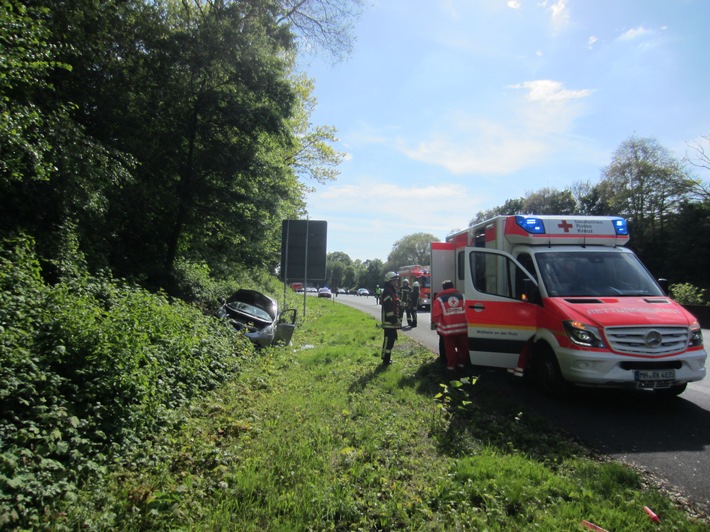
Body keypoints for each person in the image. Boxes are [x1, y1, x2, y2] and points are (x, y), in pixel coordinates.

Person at [431, 280, 468, 371]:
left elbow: (435, 315)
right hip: (463, 328)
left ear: (443, 288)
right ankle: (462, 364)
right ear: (453, 286)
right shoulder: (463, 297)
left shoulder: (439, 300)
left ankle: (451, 366)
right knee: (463, 347)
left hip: (448, 330)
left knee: (449, 348)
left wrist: (436, 324)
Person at [380, 271, 401, 365]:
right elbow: (388, 306)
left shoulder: (392, 290)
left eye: (396, 280)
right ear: (389, 281)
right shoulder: (388, 291)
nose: (396, 282)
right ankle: (385, 360)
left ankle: (387, 358)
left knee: (391, 340)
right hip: (389, 321)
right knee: (389, 340)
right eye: (394, 280)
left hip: (391, 321)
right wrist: (393, 318)